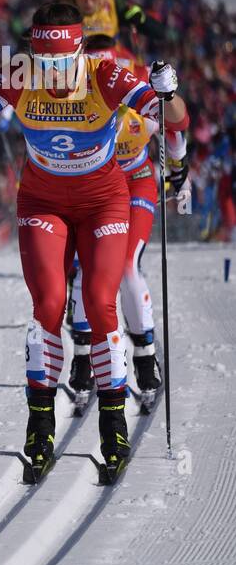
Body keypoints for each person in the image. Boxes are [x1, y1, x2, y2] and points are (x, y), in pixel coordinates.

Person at [0, 2, 188, 480]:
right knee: (50, 304)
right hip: (43, 202)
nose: (54, 75)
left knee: (100, 302)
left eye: (62, 64)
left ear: (79, 50)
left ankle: (113, 424)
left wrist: (170, 92)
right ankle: (40, 427)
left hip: (103, 201)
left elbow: (175, 119)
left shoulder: (105, 76)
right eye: (46, 64)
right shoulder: (19, 77)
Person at [67, 35, 189, 411]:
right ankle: (84, 356)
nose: (103, 80)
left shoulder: (134, 97)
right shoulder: (73, 98)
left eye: (109, 69)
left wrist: (179, 166)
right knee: (87, 267)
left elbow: (176, 125)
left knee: (125, 267)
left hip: (134, 184)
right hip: (94, 187)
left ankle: (144, 356)